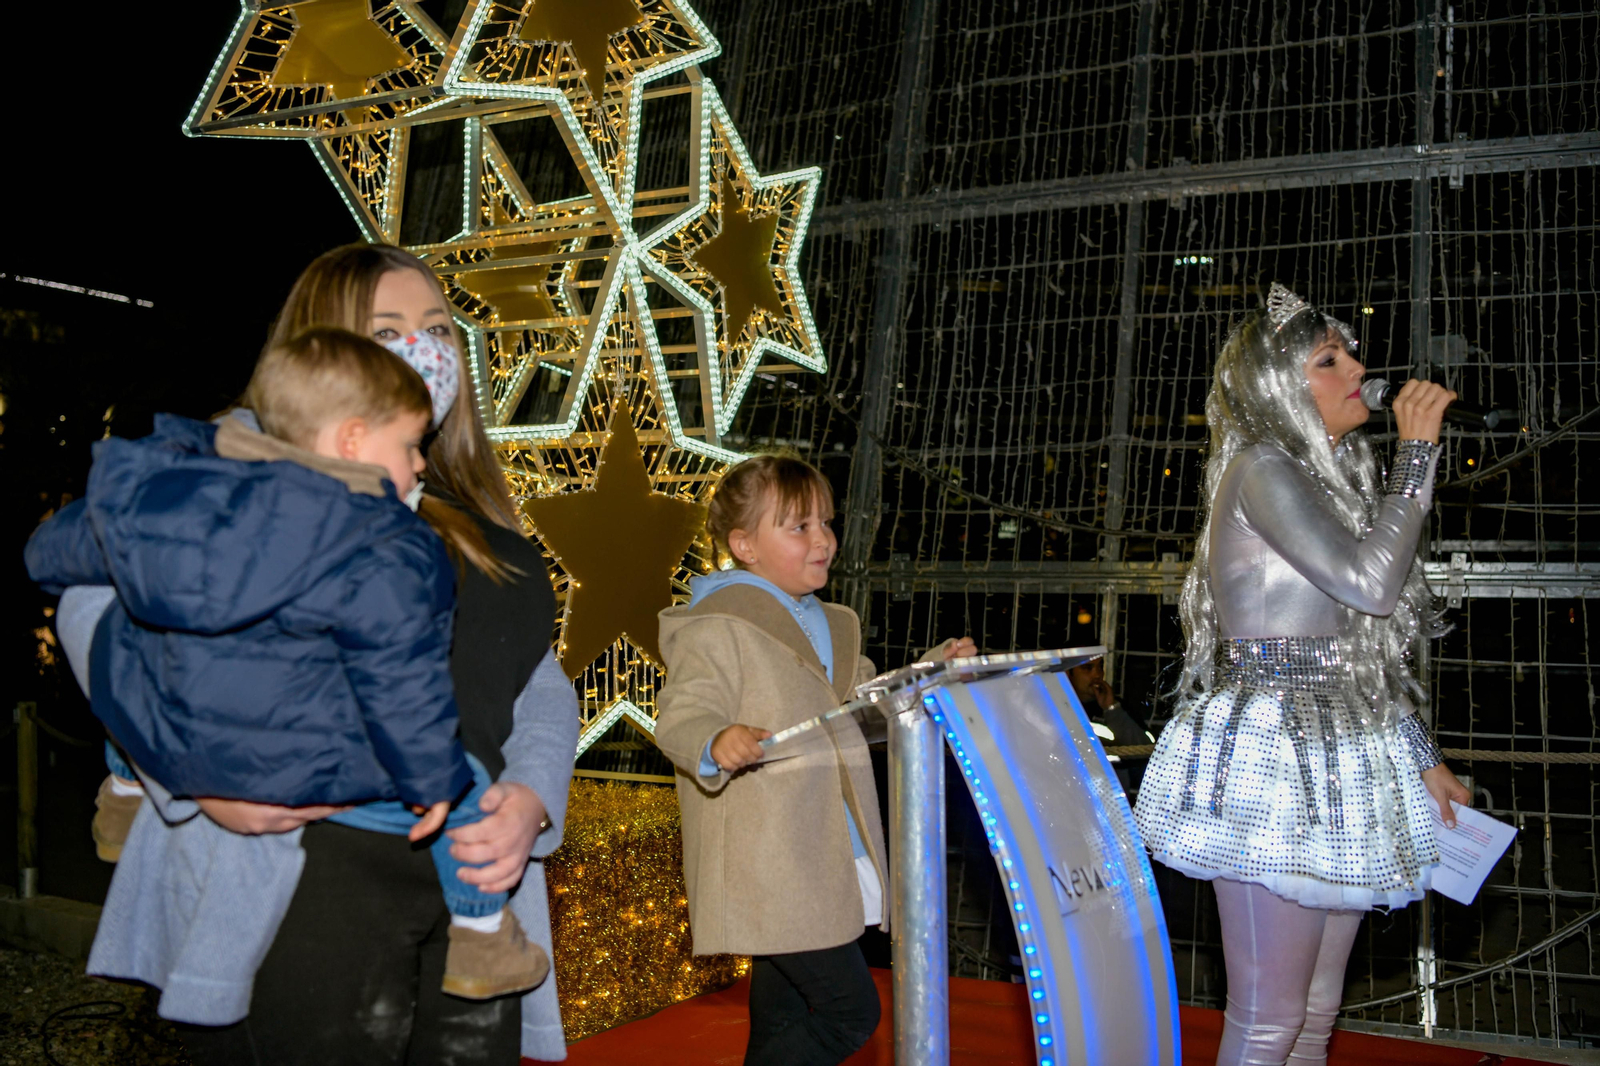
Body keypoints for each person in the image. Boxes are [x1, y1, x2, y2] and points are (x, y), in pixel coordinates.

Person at [54, 244, 577, 1064]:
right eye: (388, 329)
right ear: (322, 348)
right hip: (295, 874)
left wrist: (530, 801)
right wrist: (199, 767)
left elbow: (533, 679)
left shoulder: (471, 506)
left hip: (463, 879)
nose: (422, 350)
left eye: (437, 328)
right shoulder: (237, 465)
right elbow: (93, 608)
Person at [1133, 284, 1472, 1066]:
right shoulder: (1261, 468)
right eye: (1329, 359)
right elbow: (1370, 584)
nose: (1357, 367)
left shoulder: (1331, 478)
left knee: (1316, 1014)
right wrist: (1417, 453)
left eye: (1348, 351)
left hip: (1345, 746)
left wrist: (1423, 754)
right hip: (1273, 754)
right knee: (1268, 1018)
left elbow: (1361, 647)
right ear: (1278, 386)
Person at [653, 454, 975, 1066]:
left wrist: (932, 668)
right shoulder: (717, 626)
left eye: (825, 522)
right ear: (743, 545)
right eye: (798, 527)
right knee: (848, 1013)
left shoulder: (830, 622)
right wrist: (713, 738)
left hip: (824, 851)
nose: (823, 539)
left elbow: (861, 704)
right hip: (769, 860)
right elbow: (681, 711)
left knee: (785, 1020)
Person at [1066, 655, 1153, 791]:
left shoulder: (1117, 707)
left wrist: (1112, 709)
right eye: (1087, 668)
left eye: (1100, 666)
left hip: (1111, 801)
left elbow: (1145, 752)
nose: (1097, 675)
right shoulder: (1051, 708)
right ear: (1067, 673)